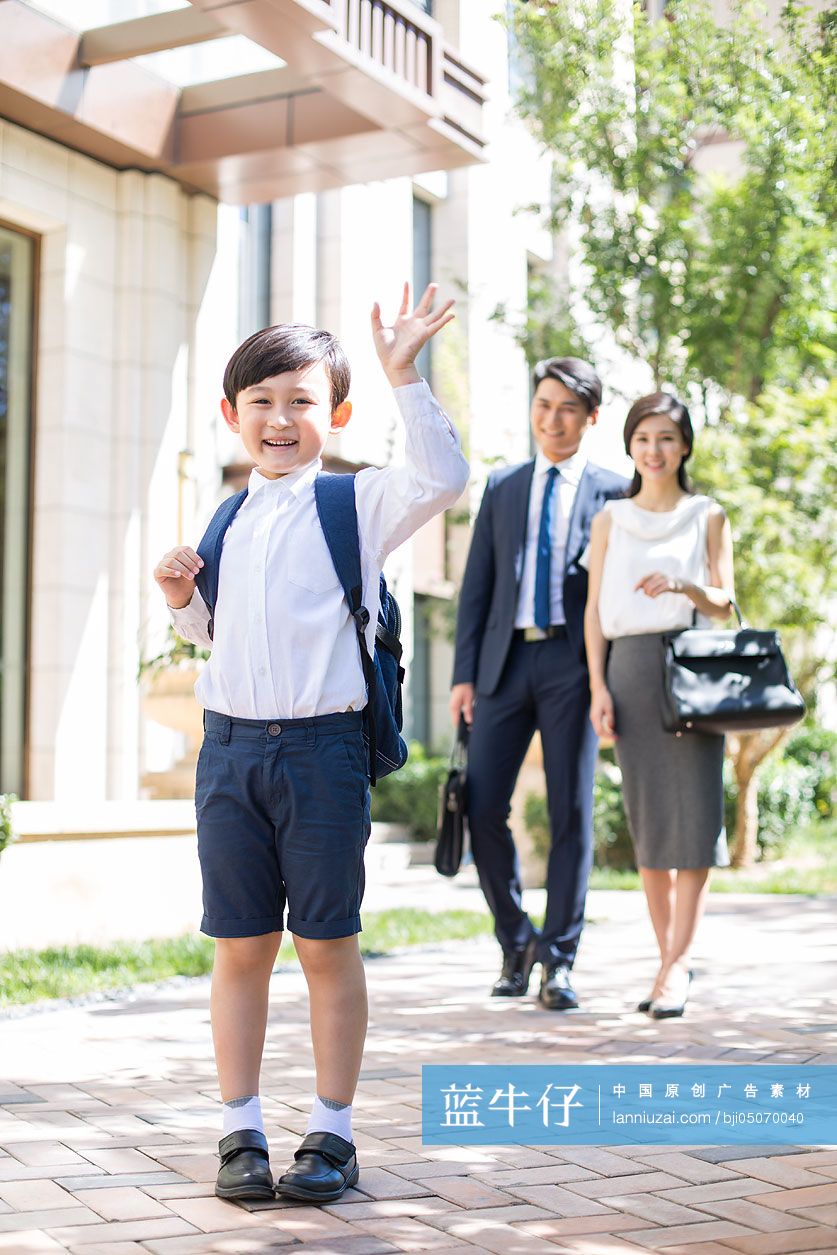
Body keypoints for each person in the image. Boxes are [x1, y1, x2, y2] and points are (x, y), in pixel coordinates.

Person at [153, 284, 468, 1205]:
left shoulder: (357, 503)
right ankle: (239, 1126)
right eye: (261, 401)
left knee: (325, 943)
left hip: (323, 753)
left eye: (300, 400)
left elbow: (444, 477)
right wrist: (182, 600)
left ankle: (331, 1132)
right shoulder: (228, 518)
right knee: (240, 944)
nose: (280, 419)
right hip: (230, 755)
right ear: (231, 414)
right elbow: (220, 637)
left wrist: (403, 372)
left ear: (334, 412)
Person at [450, 357, 629, 1010]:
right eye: (543, 405)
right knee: (478, 806)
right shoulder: (502, 485)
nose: (551, 420)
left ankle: (557, 960)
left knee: (570, 813)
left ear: (590, 419)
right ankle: (515, 939)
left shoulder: (615, 490)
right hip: (501, 664)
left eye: (566, 409)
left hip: (572, 667)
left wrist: (611, 680)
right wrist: (463, 674)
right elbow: (477, 587)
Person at [584, 391, 735, 1019]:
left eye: (667, 438)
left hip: (694, 666)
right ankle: (666, 957)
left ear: (685, 446)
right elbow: (594, 611)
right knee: (649, 822)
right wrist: (598, 686)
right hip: (631, 669)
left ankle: (676, 965)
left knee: (694, 818)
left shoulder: (708, 515)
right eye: (643, 438)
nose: (655, 450)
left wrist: (683, 584)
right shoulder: (610, 520)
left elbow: (726, 603)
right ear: (629, 445)